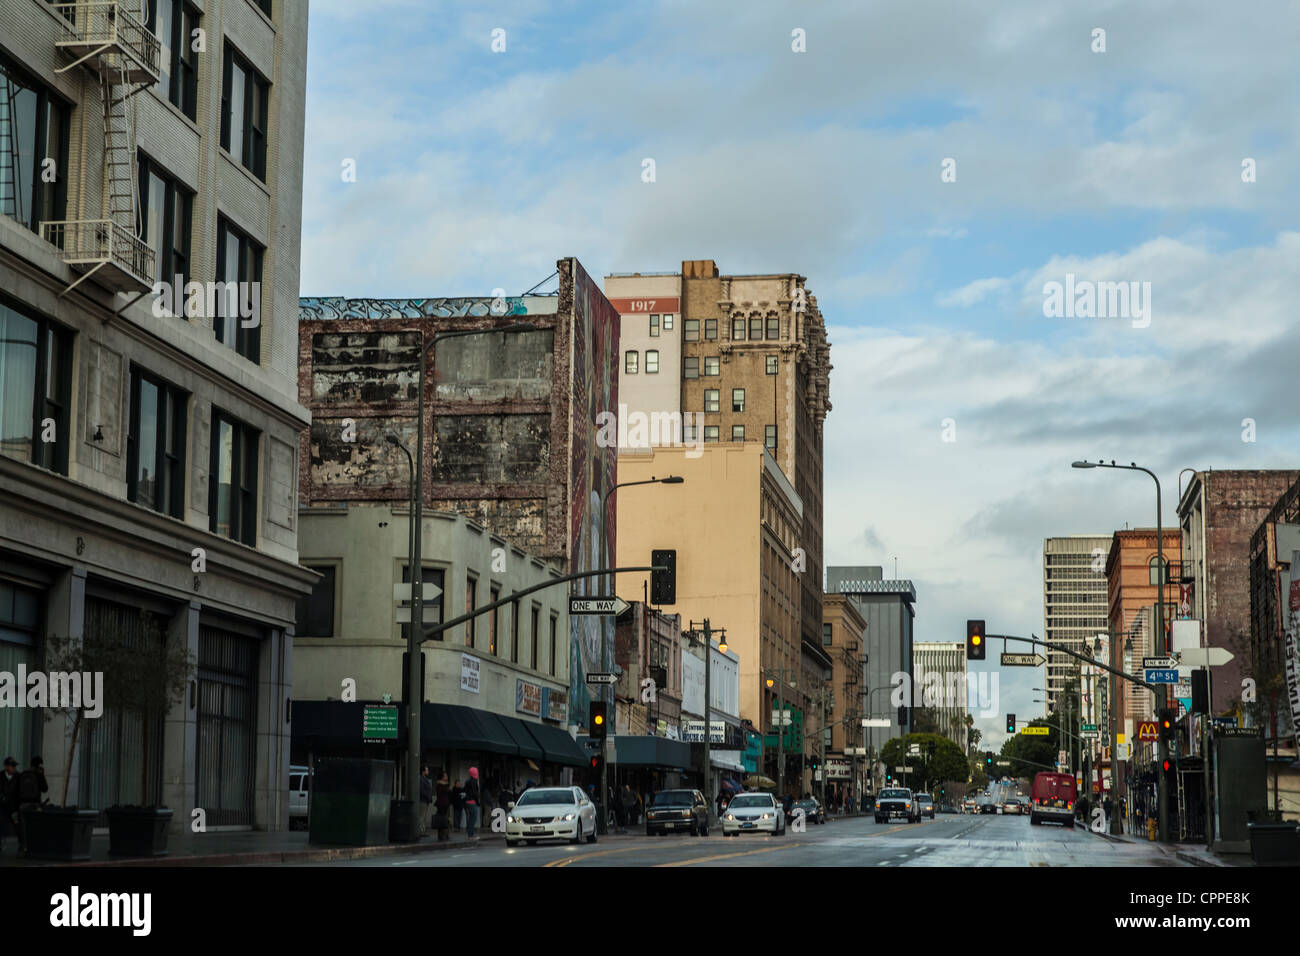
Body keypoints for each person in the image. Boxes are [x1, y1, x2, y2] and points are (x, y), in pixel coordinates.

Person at [1, 757, 20, 854]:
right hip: (2, 807)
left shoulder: (18, 776)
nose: (14, 768)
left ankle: (21, 846)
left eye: (14, 766)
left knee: (17, 825)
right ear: (6, 767)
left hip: (14, 807)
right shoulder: (0, 776)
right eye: (12, 766)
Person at [434, 770, 451, 841]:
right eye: (445, 776)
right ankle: (442, 835)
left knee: (445, 819)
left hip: (446, 804)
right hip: (441, 804)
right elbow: (442, 794)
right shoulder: (440, 785)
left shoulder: (446, 784)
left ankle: (445, 834)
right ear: (442, 777)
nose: (446, 777)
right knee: (442, 820)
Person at [464, 767, 481, 838]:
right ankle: (471, 835)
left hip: (467, 801)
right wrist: (478, 802)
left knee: (470, 819)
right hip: (472, 802)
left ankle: (470, 834)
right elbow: (475, 794)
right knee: (473, 819)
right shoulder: (474, 782)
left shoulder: (467, 781)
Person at [419, 765, 433, 833]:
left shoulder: (425, 779)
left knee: (423, 816)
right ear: (423, 772)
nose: (428, 771)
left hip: (425, 800)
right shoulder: (421, 779)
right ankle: (421, 831)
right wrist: (427, 796)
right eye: (426, 770)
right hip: (422, 800)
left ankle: (422, 830)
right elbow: (422, 790)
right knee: (421, 816)